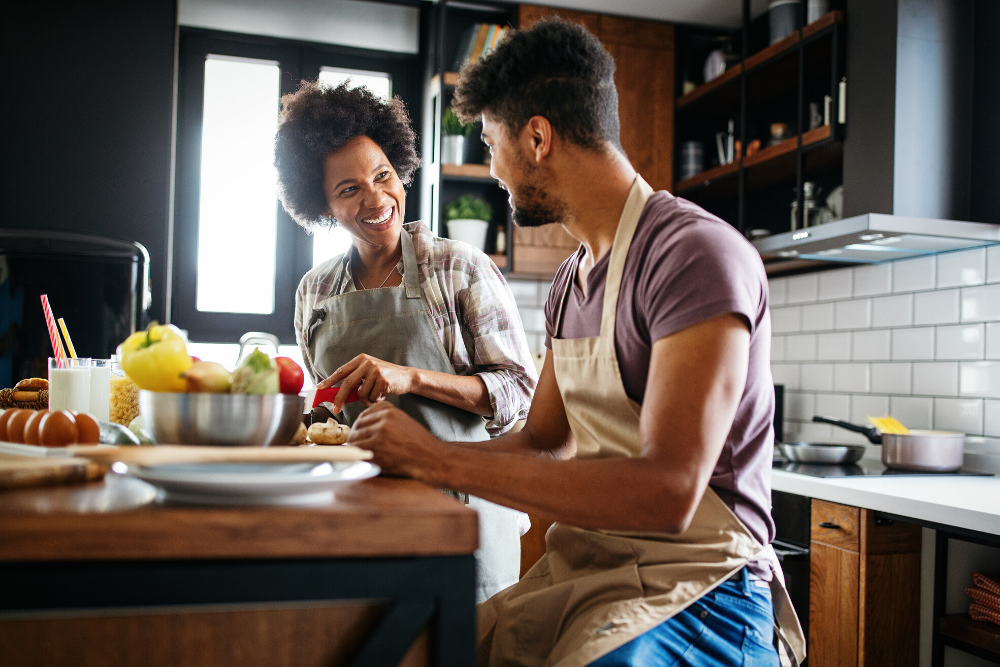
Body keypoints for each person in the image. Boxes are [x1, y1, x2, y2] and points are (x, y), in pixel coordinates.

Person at [344, 19, 807, 667]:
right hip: (593, 572)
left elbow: (668, 492)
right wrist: (408, 461)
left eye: (490, 143)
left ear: (537, 137)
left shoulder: (694, 254)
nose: (492, 167)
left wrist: (437, 460)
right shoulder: (572, 279)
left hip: (707, 588)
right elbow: (543, 441)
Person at [274, 81, 537, 603]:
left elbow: (518, 393)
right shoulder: (315, 292)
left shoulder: (458, 266)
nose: (376, 200)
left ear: (400, 169)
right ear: (323, 205)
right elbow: (329, 412)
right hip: (363, 513)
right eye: (349, 190)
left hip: (466, 510)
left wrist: (411, 377)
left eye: (382, 176)